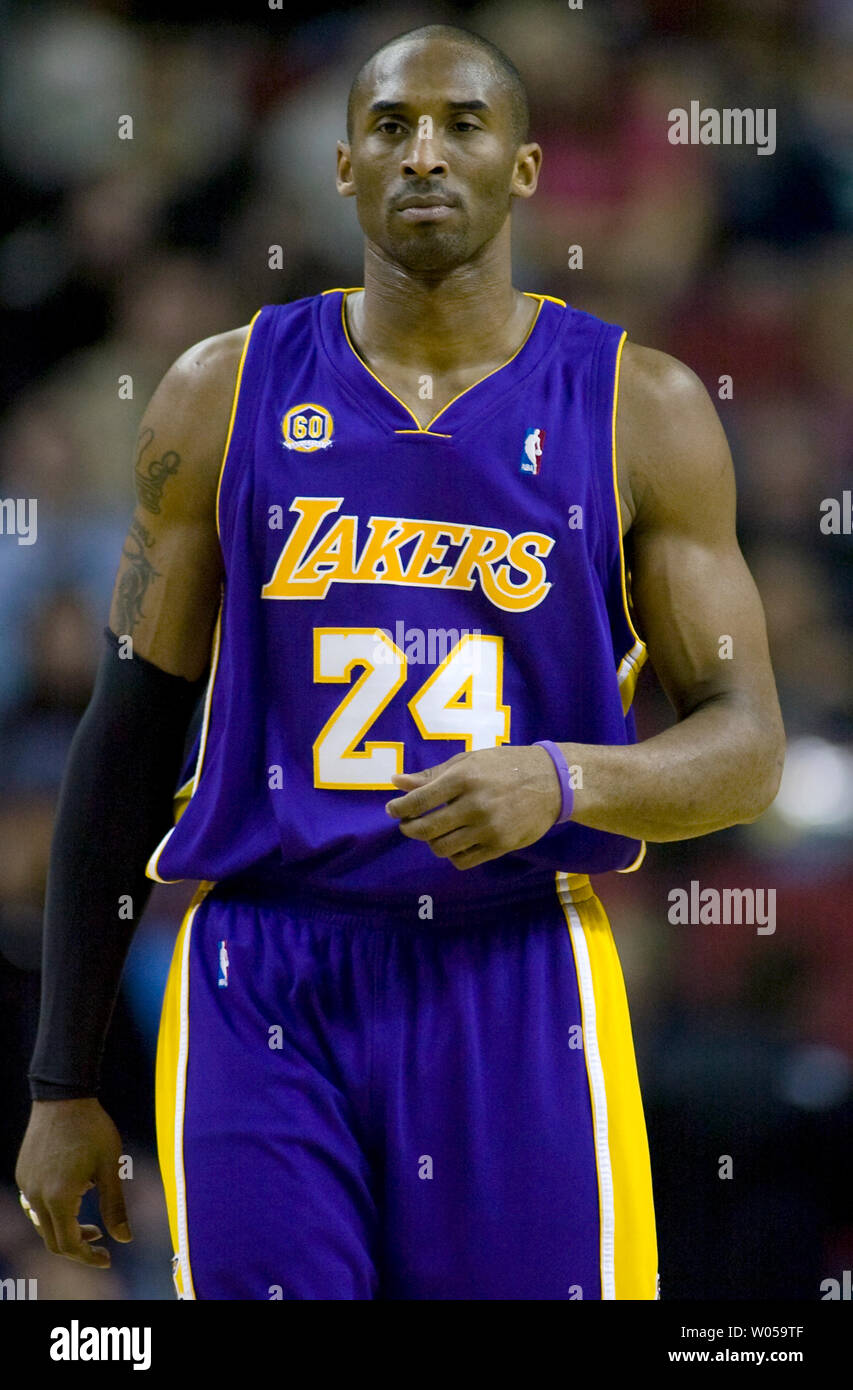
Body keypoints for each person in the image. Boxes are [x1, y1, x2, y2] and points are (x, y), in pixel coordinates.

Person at [15, 24, 785, 1300]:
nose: (424, 153)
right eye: (390, 127)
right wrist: (62, 1076)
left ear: (525, 168)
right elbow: (130, 733)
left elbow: (747, 746)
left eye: (463, 125)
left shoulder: (636, 407)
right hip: (266, 969)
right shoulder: (219, 393)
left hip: (514, 960)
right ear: (342, 166)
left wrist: (564, 780)